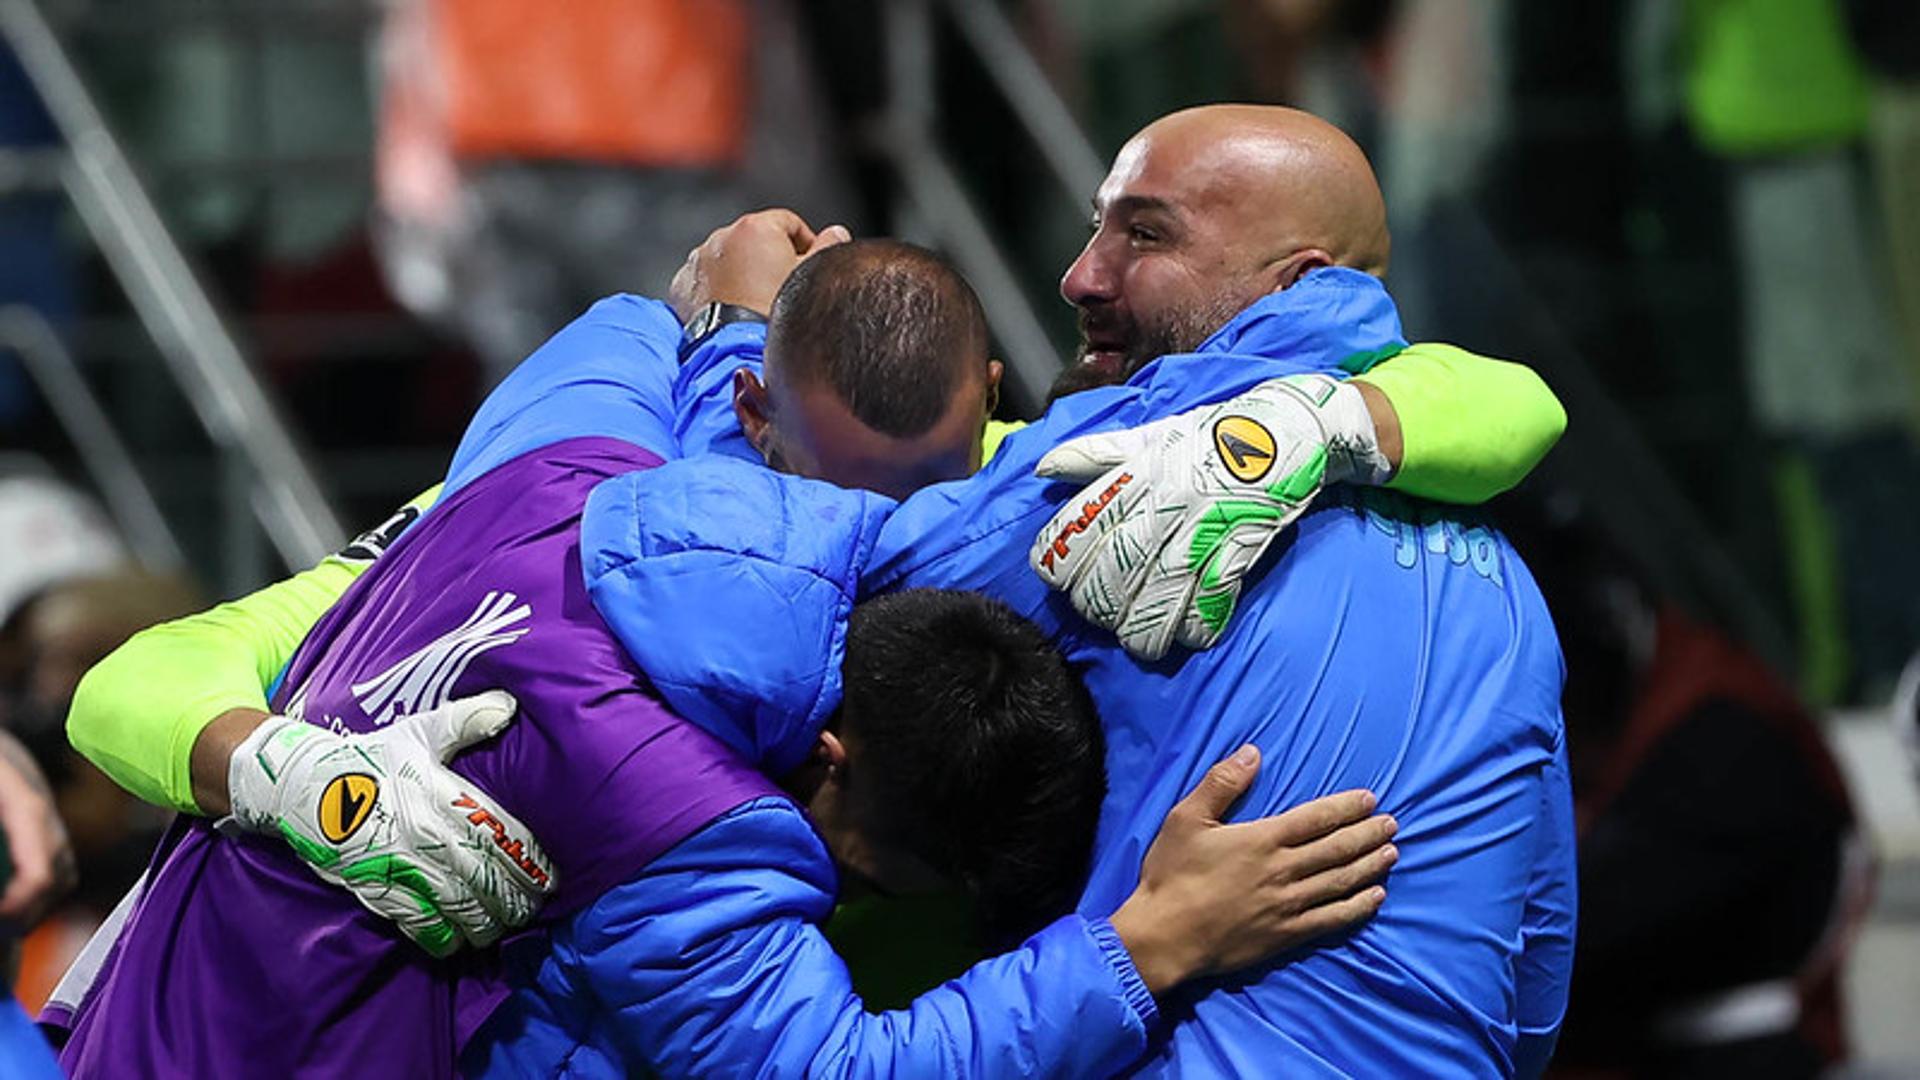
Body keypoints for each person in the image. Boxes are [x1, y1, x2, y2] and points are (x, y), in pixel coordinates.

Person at [51, 234, 1400, 1078]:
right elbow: (837, 1071)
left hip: (127, 1010)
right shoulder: (687, 823)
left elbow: (669, 343)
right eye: (866, 883)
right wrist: (1147, 945)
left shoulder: (561, 466)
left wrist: (1333, 418)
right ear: (829, 767)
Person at [596, 103, 1575, 1075]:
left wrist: (737, 348)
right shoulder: (1504, 587)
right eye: (1094, 224)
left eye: (1145, 234)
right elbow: (1535, 975)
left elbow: (715, 589)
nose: (1080, 275)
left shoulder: (1120, 485)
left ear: (1294, 281)